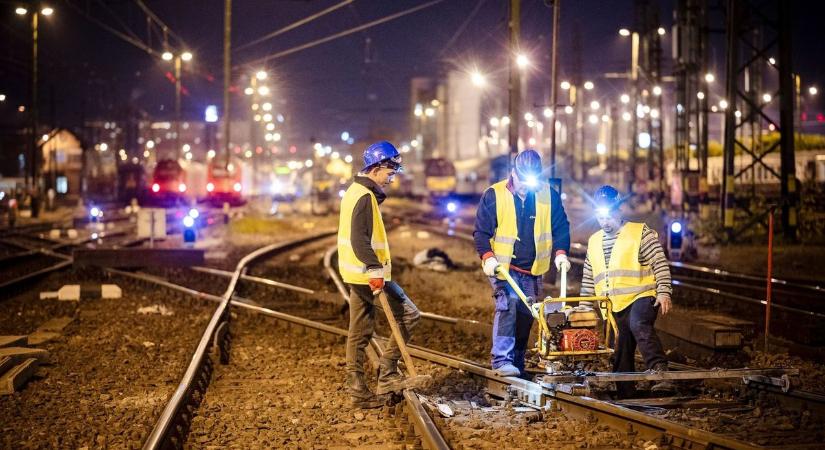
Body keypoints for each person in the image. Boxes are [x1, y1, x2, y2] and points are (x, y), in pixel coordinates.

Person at [338, 141, 421, 409]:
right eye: (390, 172)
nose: (391, 178)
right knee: (410, 314)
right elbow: (359, 239)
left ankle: (358, 390)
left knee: (359, 331)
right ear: (376, 168)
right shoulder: (363, 196)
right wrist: (374, 268)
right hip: (368, 274)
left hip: (358, 273)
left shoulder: (357, 191)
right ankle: (387, 374)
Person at [473, 149, 571, 377]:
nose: (528, 186)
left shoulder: (548, 194)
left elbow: (561, 226)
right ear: (514, 173)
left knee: (528, 314)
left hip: (533, 268)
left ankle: (516, 362)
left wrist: (560, 253)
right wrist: (487, 256)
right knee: (508, 305)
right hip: (504, 268)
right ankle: (501, 360)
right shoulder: (494, 194)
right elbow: (481, 232)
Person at [580, 185, 674, 397]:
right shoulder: (594, 242)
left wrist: (664, 291)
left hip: (642, 295)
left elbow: (659, 262)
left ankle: (659, 372)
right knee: (621, 341)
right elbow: (589, 277)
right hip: (615, 302)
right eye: (600, 217)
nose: (605, 222)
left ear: (619, 210)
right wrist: (584, 308)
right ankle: (624, 389)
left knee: (638, 324)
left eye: (609, 216)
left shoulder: (640, 233)